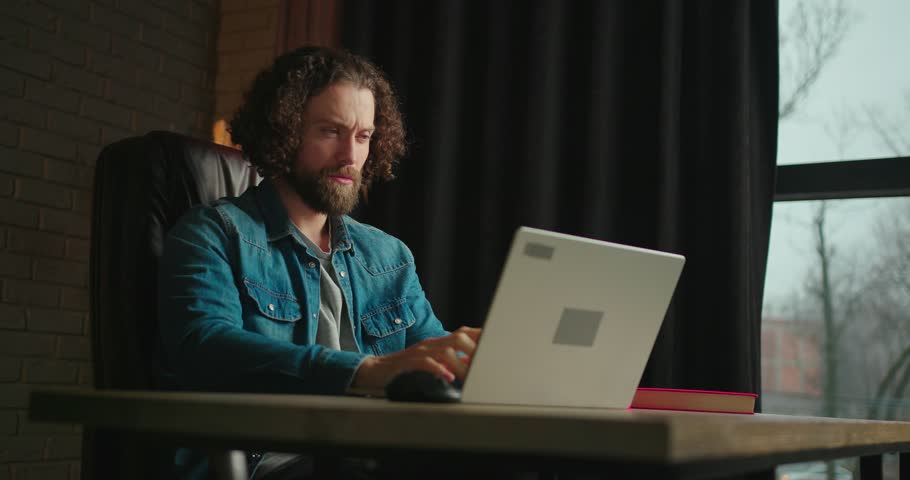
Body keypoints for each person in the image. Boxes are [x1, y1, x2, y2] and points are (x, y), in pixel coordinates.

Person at [157, 46, 480, 479]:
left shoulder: (389, 256)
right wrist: (365, 371)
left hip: (378, 457)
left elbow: (433, 357)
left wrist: (474, 361)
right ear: (283, 132)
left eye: (363, 136)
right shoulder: (214, 234)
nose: (351, 156)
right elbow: (205, 348)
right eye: (331, 131)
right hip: (268, 465)